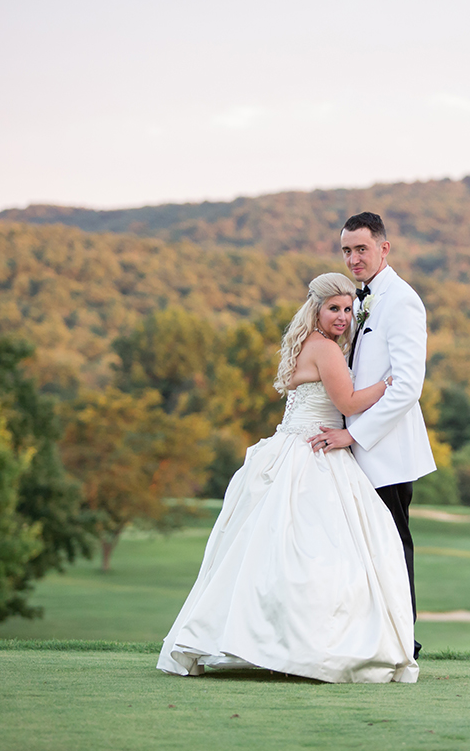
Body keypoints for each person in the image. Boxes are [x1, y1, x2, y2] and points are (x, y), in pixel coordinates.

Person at [157, 272, 419, 683]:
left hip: (289, 447)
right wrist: (387, 385)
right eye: (333, 308)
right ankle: (308, 649)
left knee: (268, 553)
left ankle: (266, 642)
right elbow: (348, 402)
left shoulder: (307, 343)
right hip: (314, 453)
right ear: (315, 309)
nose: (342, 317)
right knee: (319, 554)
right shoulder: (326, 349)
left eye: (348, 309)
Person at [308, 213, 436, 660]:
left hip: (387, 452)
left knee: (393, 548)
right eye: (346, 250)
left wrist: (354, 435)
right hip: (359, 453)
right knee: (363, 550)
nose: (353, 258)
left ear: (384, 248)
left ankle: (403, 644)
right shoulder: (358, 299)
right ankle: (370, 639)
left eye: (361, 249)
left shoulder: (402, 301)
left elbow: (407, 386)